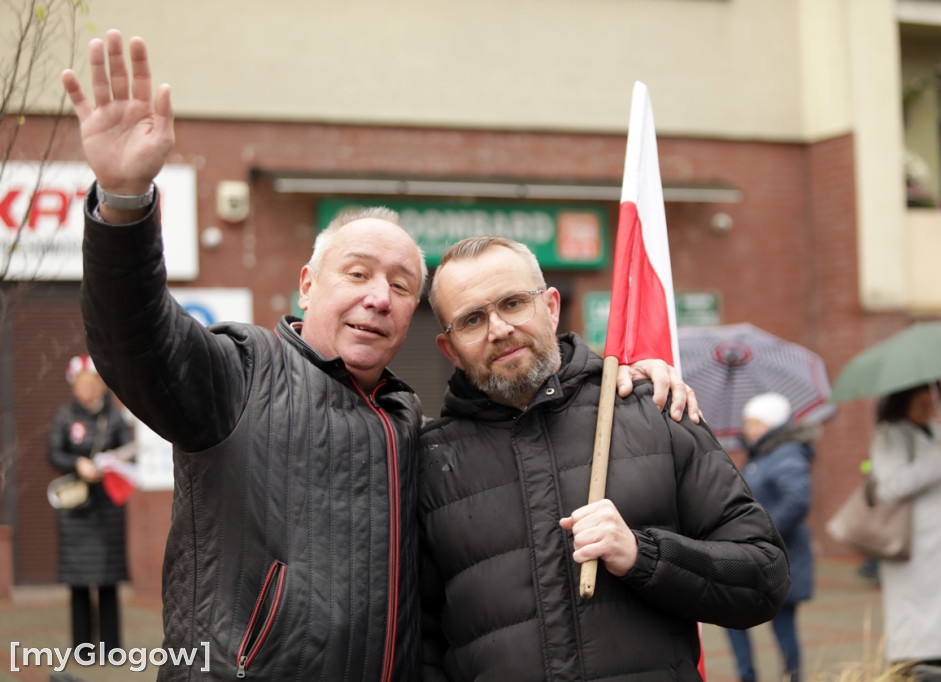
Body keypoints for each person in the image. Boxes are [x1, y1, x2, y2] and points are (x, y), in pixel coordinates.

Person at [61, 31, 698, 680]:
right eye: (358, 273)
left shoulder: (409, 423)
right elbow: (135, 339)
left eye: (400, 286)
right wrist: (124, 202)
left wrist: (627, 374)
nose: (378, 297)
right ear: (308, 284)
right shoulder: (240, 372)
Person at [419, 235, 790, 682]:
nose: (498, 329)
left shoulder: (656, 413)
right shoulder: (429, 464)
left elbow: (765, 577)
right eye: (472, 319)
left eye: (513, 303)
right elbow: (420, 643)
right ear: (450, 348)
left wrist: (644, 555)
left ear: (551, 307)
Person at [870, 382, 941, 672]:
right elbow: (892, 486)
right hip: (915, 546)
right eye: (922, 404)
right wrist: (939, 455)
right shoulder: (889, 435)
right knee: (916, 631)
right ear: (903, 402)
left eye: (934, 403)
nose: (929, 411)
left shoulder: (938, 431)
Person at [725, 392, 816, 682]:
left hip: (779, 559)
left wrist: (763, 532)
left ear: (770, 425)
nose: (747, 429)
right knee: (732, 616)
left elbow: (797, 501)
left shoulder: (785, 454)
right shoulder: (762, 455)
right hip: (757, 558)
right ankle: (749, 676)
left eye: (753, 423)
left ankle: (792, 678)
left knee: (783, 628)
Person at [47, 354, 135, 649]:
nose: (85, 390)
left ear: (100, 385)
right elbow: (53, 453)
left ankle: (111, 648)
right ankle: (82, 647)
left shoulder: (114, 417)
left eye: (91, 384)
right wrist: (78, 464)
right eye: (80, 385)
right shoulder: (64, 416)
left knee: (108, 580)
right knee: (79, 582)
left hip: (107, 506)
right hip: (76, 508)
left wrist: (110, 463)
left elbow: (129, 451)